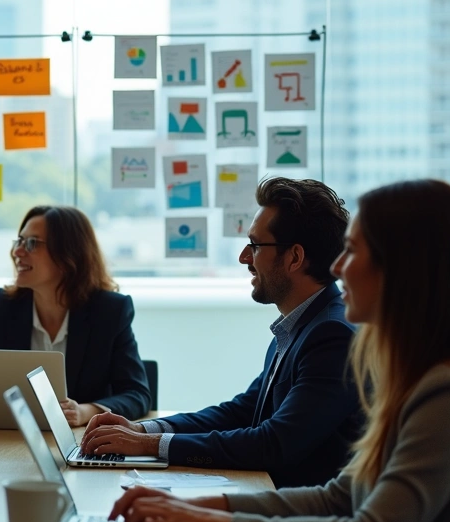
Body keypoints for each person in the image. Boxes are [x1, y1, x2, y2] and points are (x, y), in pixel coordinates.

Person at [109, 179, 450, 522]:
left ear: (404, 269)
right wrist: (205, 506)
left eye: (353, 251)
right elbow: (340, 495)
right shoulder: (416, 375)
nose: (337, 267)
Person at [82, 177, 363, 487]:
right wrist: (144, 431)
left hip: (303, 519)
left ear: (295, 257)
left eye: (255, 246)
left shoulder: (332, 336)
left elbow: (274, 443)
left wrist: (149, 446)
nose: (244, 257)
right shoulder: (302, 325)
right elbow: (242, 411)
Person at [0, 205, 151, 424]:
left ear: (68, 255)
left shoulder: (109, 311)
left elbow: (137, 394)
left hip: (83, 444)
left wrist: (85, 412)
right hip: (8, 443)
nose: (17, 252)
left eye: (32, 243)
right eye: (19, 241)